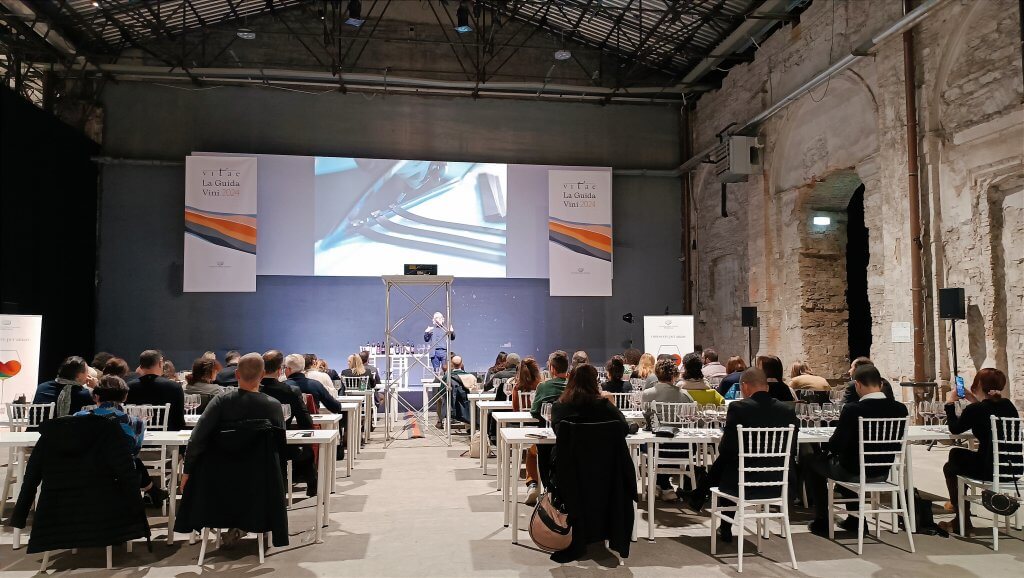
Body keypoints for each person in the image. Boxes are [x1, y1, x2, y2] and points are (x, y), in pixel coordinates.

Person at [181, 352, 287, 546]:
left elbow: (197, 438)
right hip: (258, 483)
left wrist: (187, 471)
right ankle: (253, 523)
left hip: (218, 483)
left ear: (237, 374)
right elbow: (280, 447)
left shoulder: (221, 402)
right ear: (263, 375)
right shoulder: (273, 406)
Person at [686, 368, 799, 543]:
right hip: (779, 482)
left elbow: (726, 448)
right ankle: (700, 497)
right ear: (767, 387)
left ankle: (710, 508)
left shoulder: (739, 408)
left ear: (745, 386)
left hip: (744, 483)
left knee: (729, 462)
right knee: (731, 462)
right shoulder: (787, 410)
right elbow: (792, 450)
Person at [804, 364, 909, 536]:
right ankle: (854, 520)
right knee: (846, 462)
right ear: (880, 384)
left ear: (858, 385)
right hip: (882, 472)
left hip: (853, 472)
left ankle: (822, 520)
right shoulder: (900, 409)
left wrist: (825, 451)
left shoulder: (853, 409)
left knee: (812, 462)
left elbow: (836, 445)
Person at [547, 363, 634, 563]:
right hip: (606, 473)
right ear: (595, 382)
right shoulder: (603, 405)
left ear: (570, 381)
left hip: (570, 473)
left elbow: (559, 434)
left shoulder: (560, 406)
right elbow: (622, 428)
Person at [940, 368, 1019, 535]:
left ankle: (962, 518)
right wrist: (973, 399)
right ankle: (959, 514)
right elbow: (987, 410)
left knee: (953, 458)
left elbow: (955, 429)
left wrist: (949, 403)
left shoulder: (976, 410)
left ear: (979, 385)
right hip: (1013, 469)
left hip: (990, 470)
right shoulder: (1009, 406)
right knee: (956, 461)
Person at [74, 375, 168, 505]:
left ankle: (152, 491)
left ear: (95, 396)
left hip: (83, 473)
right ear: (125, 397)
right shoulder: (135, 423)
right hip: (121, 476)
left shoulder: (78, 418)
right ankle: (152, 491)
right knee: (133, 461)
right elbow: (133, 452)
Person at [260, 350, 317, 496]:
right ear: (280, 370)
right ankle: (312, 485)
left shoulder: (252, 390)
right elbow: (306, 422)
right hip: (281, 445)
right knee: (306, 450)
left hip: (252, 444)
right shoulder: (291, 391)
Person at [642, 359, 693, 499]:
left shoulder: (648, 393)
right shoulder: (685, 395)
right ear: (675, 375)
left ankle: (661, 485)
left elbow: (646, 418)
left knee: (646, 443)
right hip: (684, 449)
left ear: (656, 373)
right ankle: (663, 486)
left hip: (657, 447)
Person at [530, 350, 570, 486]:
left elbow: (534, 412)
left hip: (547, 437)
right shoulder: (573, 387)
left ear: (552, 368)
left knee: (538, 451)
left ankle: (547, 486)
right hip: (570, 437)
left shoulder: (543, 387)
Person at [126, 350, 186, 431]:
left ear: (141, 366)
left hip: (136, 435)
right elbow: (179, 421)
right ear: (160, 363)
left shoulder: (128, 387)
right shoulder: (175, 387)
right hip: (166, 435)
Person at [510, 357, 543, 505]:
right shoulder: (541, 386)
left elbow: (515, 410)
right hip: (543, 429)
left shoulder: (517, 388)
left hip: (526, 430)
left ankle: (532, 484)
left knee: (532, 451)